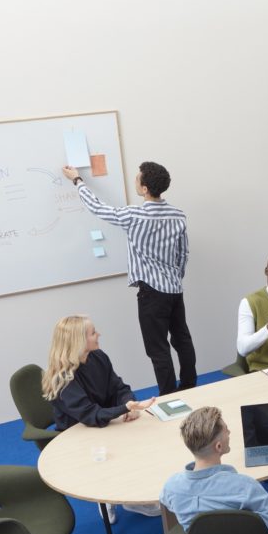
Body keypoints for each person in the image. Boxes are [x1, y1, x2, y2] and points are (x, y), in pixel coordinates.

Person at [61, 162, 196, 396]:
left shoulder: (135, 215)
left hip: (151, 293)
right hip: (174, 290)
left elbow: (99, 209)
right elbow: (183, 253)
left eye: (137, 178)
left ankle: (169, 396)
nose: (135, 180)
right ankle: (189, 387)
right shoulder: (178, 215)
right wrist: (175, 277)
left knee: (157, 349)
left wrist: (78, 181)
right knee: (182, 339)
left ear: (144, 188)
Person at [41, 314, 158, 519]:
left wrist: (129, 406)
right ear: (79, 341)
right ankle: (109, 497)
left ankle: (129, 497)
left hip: (104, 420)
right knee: (121, 448)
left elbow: (119, 387)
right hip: (77, 434)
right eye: (93, 332)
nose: (98, 334)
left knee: (143, 438)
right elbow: (90, 415)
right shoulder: (63, 378)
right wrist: (124, 409)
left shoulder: (98, 356)